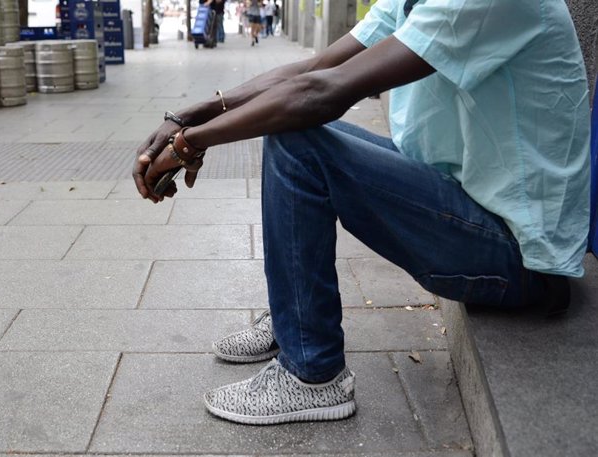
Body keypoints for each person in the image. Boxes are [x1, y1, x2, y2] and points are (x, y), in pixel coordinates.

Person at [133, 0, 590, 425]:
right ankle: (294, 314)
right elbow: (314, 67)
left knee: (297, 138)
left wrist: (190, 142)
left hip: (518, 254)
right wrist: (192, 115)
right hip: (473, 204)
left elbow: (321, 91)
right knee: (296, 125)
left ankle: (312, 375)